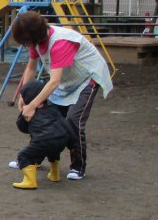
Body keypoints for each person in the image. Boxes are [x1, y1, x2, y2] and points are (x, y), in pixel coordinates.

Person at [11, 10, 113, 180]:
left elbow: (54, 81)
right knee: (45, 119)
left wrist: (32, 105)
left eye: (26, 41)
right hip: (66, 80)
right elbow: (31, 68)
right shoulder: (37, 42)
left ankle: (78, 166)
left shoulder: (60, 42)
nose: (26, 45)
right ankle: (32, 158)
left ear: (33, 36)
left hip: (87, 78)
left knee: (73, 120)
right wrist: (25, 96)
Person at [12, 80, 74, 190]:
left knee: (24, 155)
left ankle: (29, 181)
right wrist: (71, 141)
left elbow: (21, 126)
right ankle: (55, 175)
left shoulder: (28, 111)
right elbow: (64, 123)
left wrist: (23, 115)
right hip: (61, 139)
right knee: (53, 152)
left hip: (43, 140)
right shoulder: (53, 108)